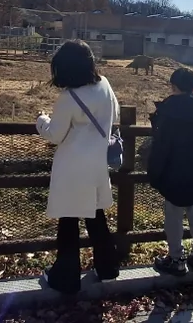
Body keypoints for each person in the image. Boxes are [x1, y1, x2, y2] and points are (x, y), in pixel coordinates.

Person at [35, 40, 119, 294]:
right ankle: (107, 270)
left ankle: (65, 278)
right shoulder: (104, 84)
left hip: (72, 166)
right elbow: (114, 115)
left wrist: (41, 120)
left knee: (68, 222)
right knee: (96, 219)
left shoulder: (68, 97)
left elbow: (55, 134)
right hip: (96, 164)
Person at [147, 67, 193, 276]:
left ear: (173, 87)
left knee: (173, 215)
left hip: (175, 173)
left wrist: (154, 172)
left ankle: (176, 259)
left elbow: (160, 146)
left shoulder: (168, 112)